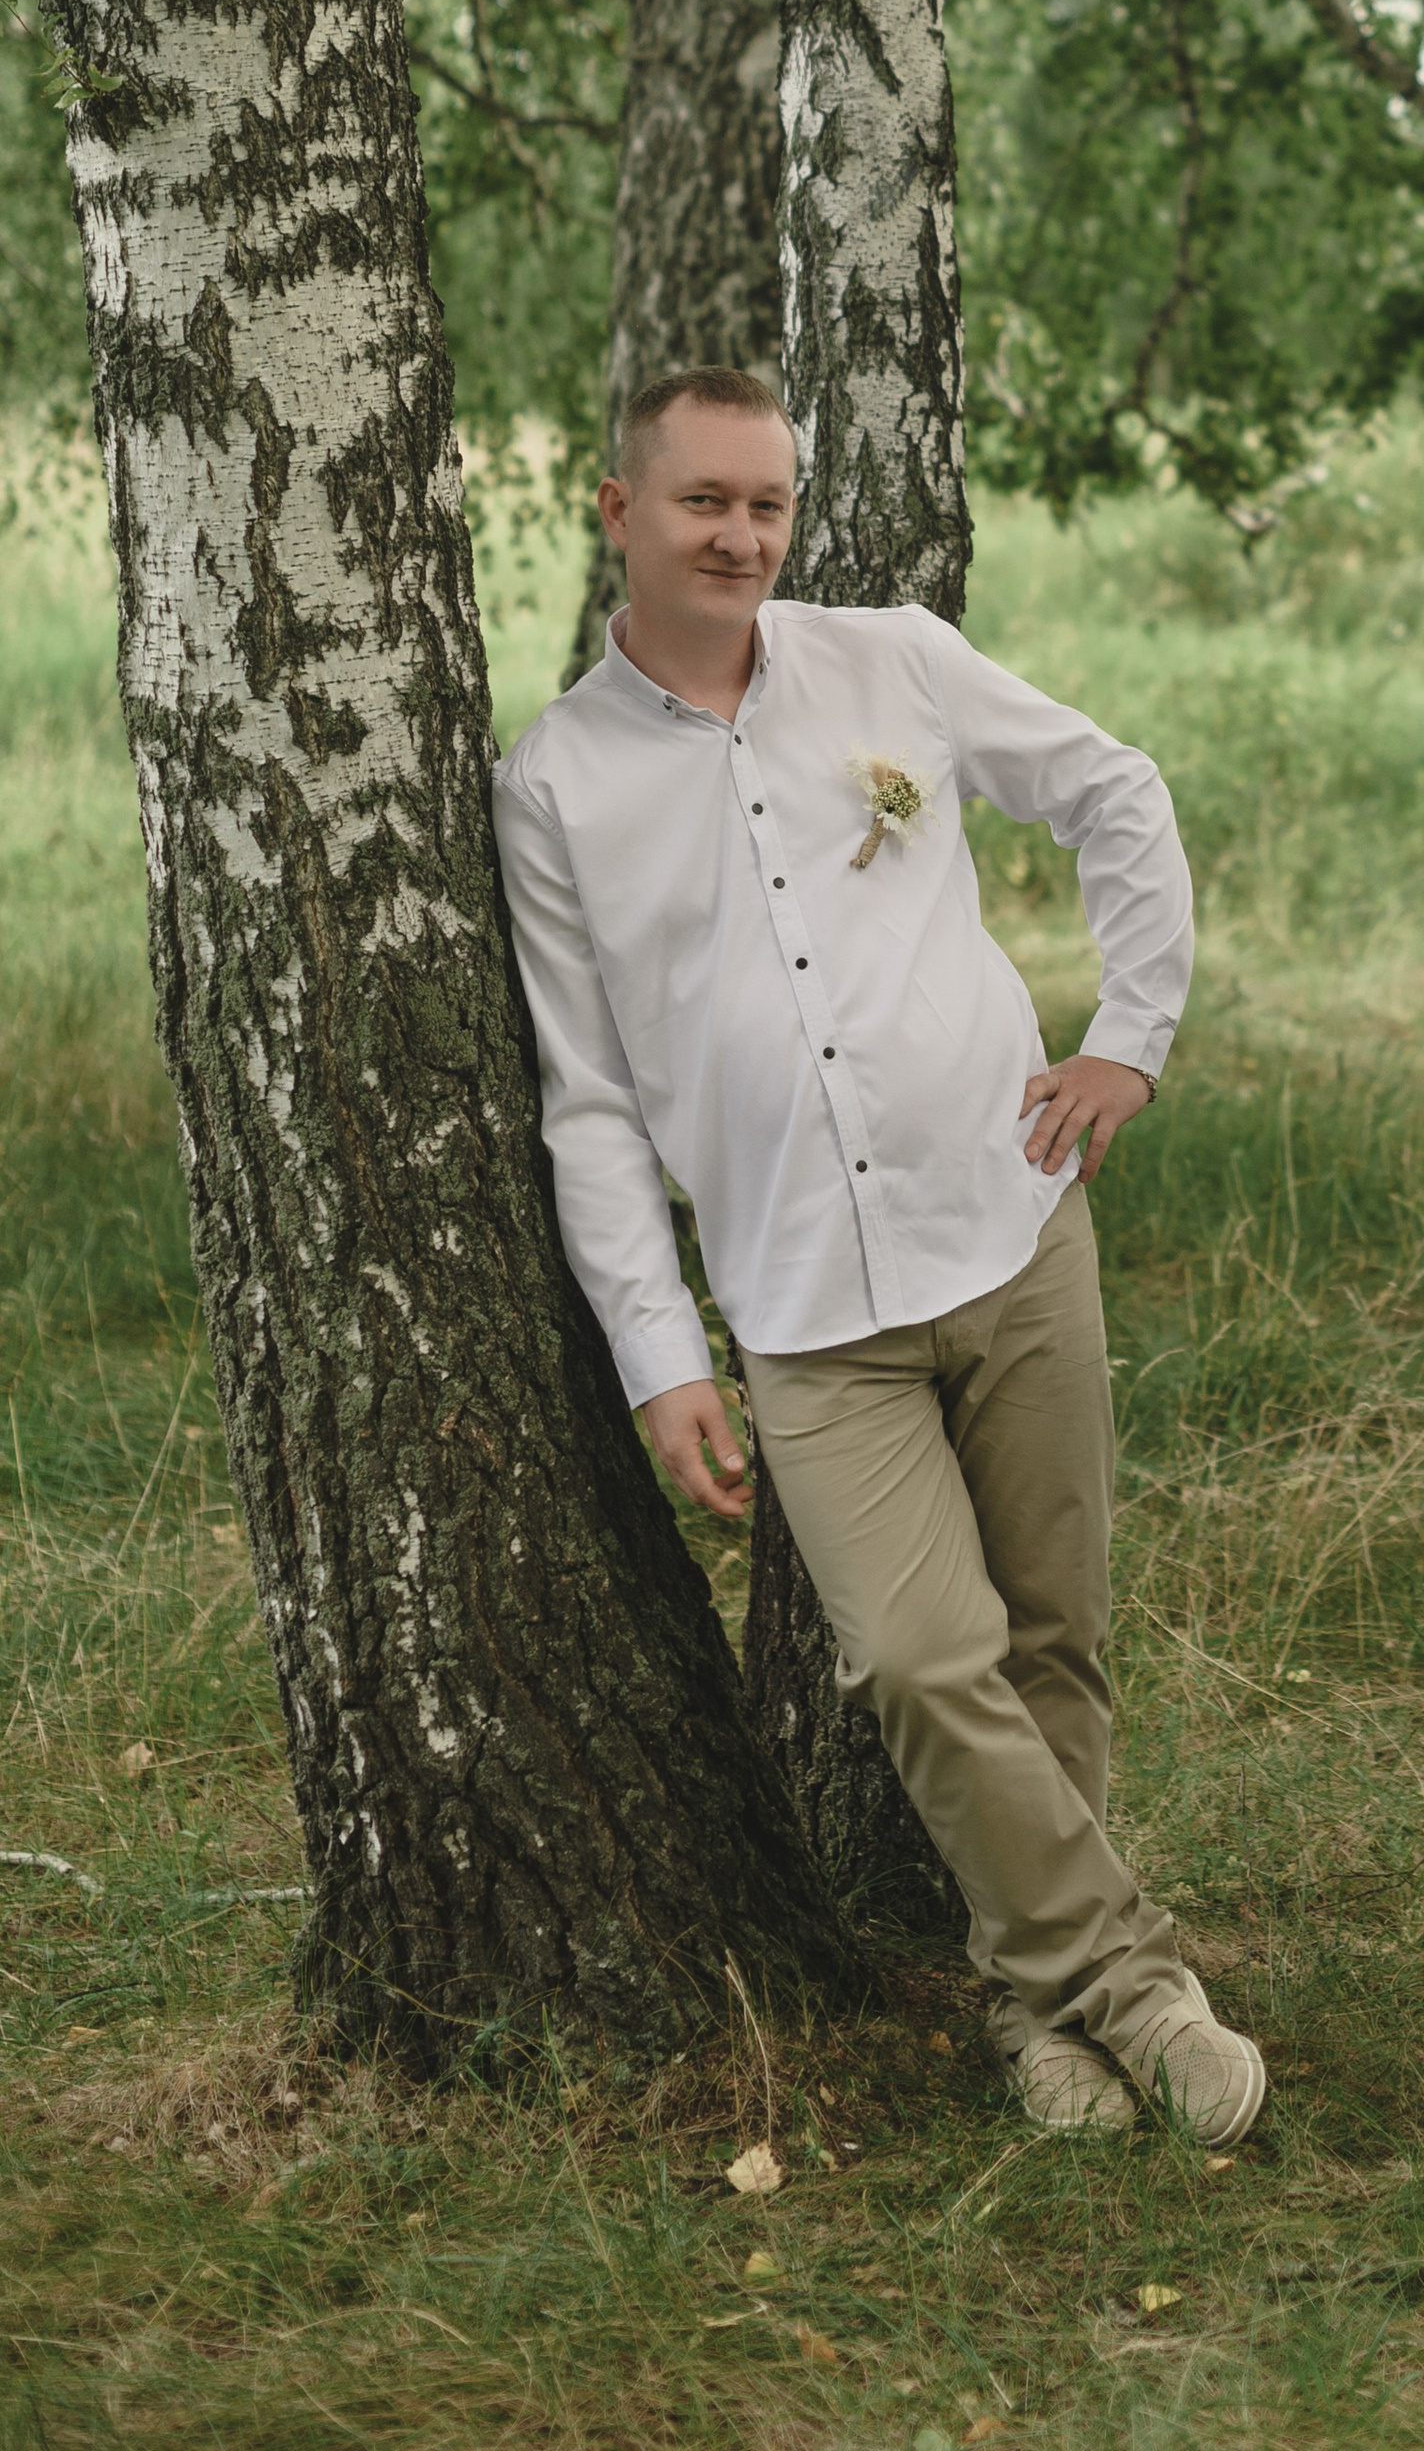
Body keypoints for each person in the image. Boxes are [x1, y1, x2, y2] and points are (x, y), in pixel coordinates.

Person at [490, 365, 1265, 2143]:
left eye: (766, 503)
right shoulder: (555, 785)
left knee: (1054, 1636)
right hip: (801, 1309)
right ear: (620, 512)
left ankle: (1032, 2005)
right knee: (919, 1657)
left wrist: (1131, 1037)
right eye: (703, 501)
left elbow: (1117, 792)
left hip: (1009, 1222)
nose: (741, 536)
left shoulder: (892, 660)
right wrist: (661, 1359)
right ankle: (1134, 1984)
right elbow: (589, 1105)